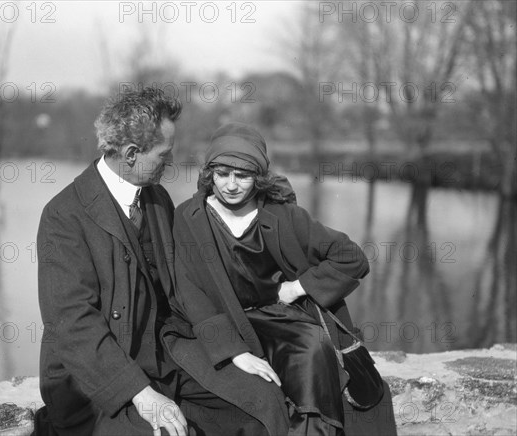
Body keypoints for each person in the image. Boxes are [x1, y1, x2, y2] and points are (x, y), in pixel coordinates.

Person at [35, 90, 288, 436]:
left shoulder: (156, 200)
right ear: (131, 154)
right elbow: (72, 325)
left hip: (165, 357)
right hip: (92, 383)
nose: (170, 162)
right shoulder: (63, 216)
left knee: (263, 400)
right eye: (164, 154)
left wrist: (230, 351)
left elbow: (184, 286)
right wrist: (140, 394)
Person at [165, 123, 397, 436]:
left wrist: (297, 287)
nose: (231, 185)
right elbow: (190, 291)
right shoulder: (189, 217)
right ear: (210, 173)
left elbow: (351, 257)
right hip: (227, 321)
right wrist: (233, 351)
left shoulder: (282, 215)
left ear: (257, 176)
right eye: (222, 174)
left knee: (313, 352)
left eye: (243, 175)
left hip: (279, 317)